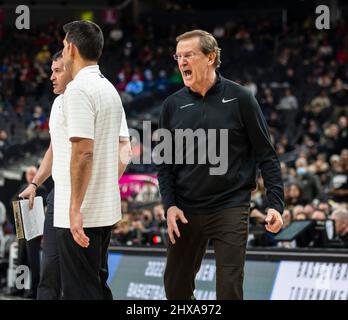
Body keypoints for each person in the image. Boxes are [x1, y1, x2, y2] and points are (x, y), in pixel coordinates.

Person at [157, 30, 284, 300]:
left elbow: (267, 155)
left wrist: (276, 204)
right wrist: (169, 205)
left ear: (211, 57)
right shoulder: (171, 106)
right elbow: (165, 165)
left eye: (188, 55)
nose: (181, 62)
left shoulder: (241, 98)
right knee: (175, 289)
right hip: (186, 209)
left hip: (230, 205)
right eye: (178, 56)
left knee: (229, 289)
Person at [56, 20, 131, 299]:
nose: (63, 52)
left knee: (80, 292)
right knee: (97, 286)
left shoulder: (77, 90)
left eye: (64, 47)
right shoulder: (109, 88)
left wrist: (74, 208)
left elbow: (83, 151)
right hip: (103, 209)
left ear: (72, 49)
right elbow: (124, 149)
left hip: (80, 214)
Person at [18, 50, 72, 299]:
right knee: (49, 272)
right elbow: (54, 147)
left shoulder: (90, 98)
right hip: (57, 198)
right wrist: (35, 183)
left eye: (57, 71)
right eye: (51, 71)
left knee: (85, 276)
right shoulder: (57, 102)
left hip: (83, 201)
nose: (51, 77)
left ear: (73, 70)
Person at [14, 166, 47, 298]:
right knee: (21, 260)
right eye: (29, 174)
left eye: (33, 173)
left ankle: (34, 290)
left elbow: (43, 210)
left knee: (33, 262)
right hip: (22, 230)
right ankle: (19, 287)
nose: (31, 176)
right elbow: (14, 203)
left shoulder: (42, 189)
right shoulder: (22, 187)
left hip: (34, 230)